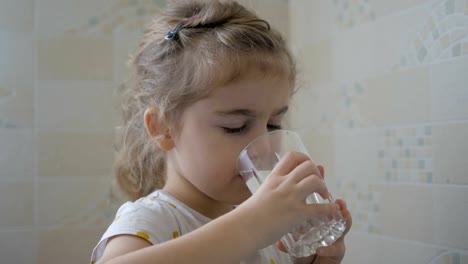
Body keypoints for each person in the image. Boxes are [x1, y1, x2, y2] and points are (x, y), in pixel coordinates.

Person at [91, 1, 352, 263]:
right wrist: (252, 226)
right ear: (163, 128)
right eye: (235, 127)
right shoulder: (153, 221)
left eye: (273, 125)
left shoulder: (271, 222)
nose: (265, 147)